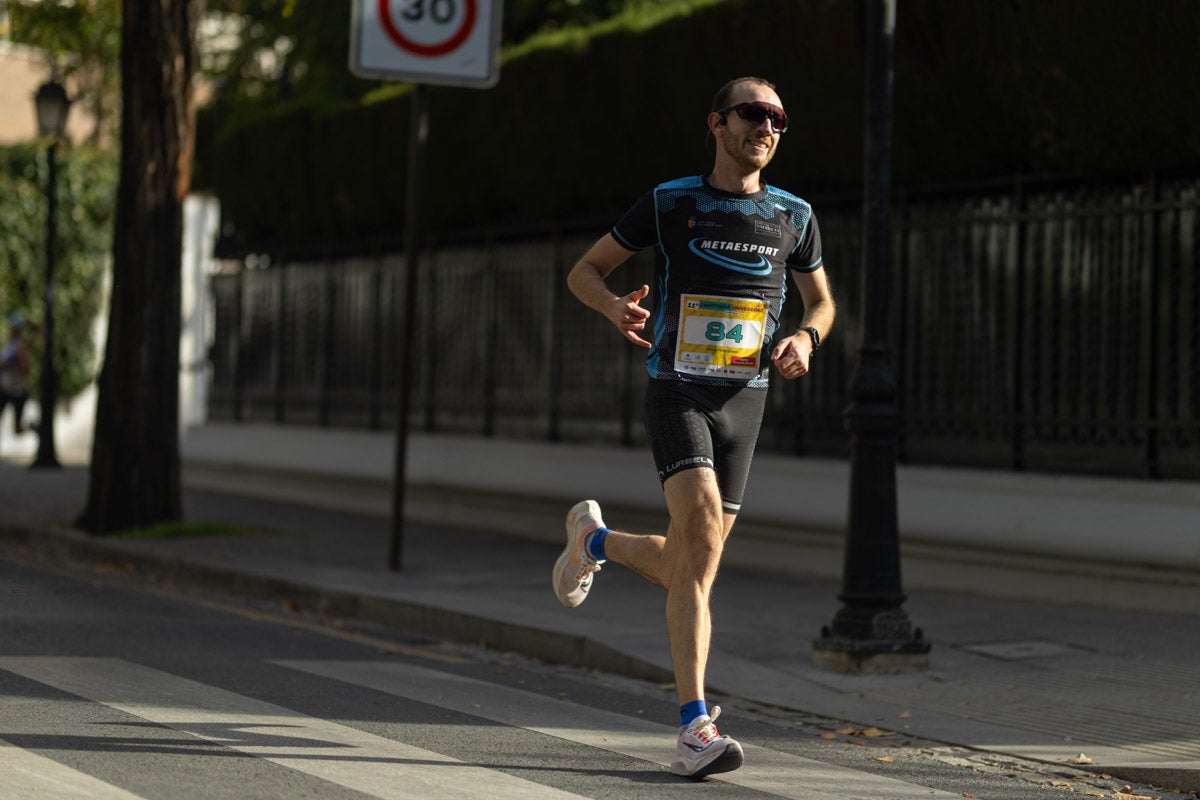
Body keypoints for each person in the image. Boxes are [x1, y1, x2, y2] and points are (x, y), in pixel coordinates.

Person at [552, 77, 835, 779]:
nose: (765, 126)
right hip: (678, 390)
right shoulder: (672, 201)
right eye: (752, 114)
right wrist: (614, 307)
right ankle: (694, 727)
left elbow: (823, 303)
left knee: (691, 564)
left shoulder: (794, 215)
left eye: (777, 118)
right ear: (717, 123)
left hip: (748, 401)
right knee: (702, 538)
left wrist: (806, 338)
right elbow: (583, 272)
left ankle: (593, 541)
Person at [0, 313, 32, 442]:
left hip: (18, 391)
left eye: (12, 327)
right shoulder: (9, 346)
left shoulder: (20, 347)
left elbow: (26, 369)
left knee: (17, 429)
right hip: (4, 388)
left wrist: (9, 365)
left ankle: (33, 427)